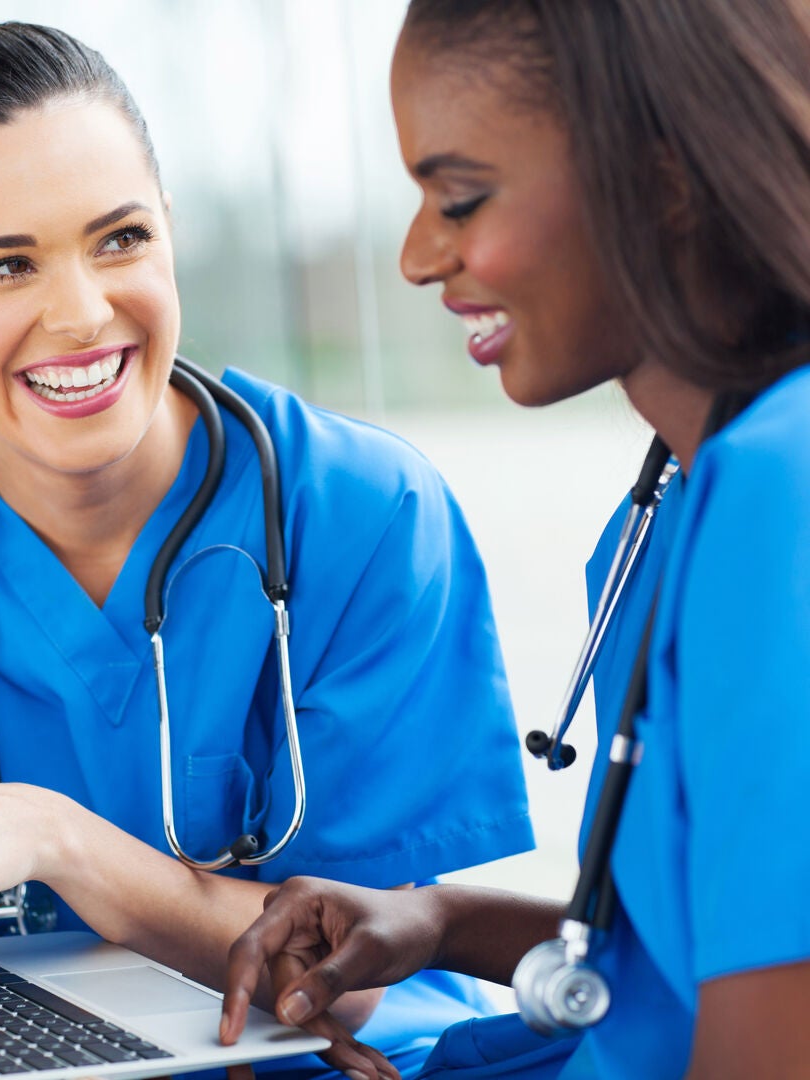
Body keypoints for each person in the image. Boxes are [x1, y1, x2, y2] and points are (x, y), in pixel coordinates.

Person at [0, 21, 534, 1080]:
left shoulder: (361, 510)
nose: (80, 313)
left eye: (120, 240)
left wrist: (60, 841)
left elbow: (372, 965)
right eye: (6, 266)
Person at [219, 1, 810, 1077]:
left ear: (665, 174)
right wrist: (441, 921)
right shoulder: (676, 503)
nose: (414, 255)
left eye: (458, 197)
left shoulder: (788, 494)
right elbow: (702, 956)